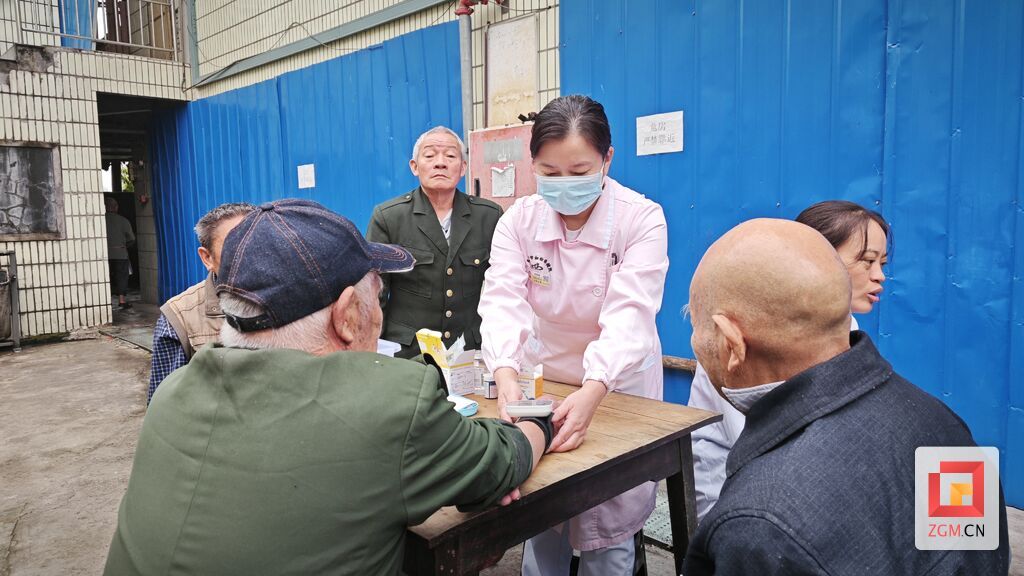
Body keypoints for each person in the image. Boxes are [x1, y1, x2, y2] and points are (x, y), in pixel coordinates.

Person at [104, 199, 553, 575]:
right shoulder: (389, 404)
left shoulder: (173, 392)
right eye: (377, 296)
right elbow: (499, 464)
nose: (378, 312)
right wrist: (539, 424)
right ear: (346, 316)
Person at [682, 218, 1009, 575]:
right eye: (866, 261)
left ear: (732, 343)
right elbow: (978, 554)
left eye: (696, 327)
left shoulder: (759, 527)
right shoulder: (945, 427)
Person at [478, 94, 669, 574]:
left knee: (608, 523)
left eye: (579, 171)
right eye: (550, 173)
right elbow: (502, 300)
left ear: (608, 158)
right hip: (545, 378)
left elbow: (630, 315)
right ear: (533, 165)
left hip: (617, 382)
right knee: (543, 513)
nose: (564, 185)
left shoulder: (640, 218)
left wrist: (594, 390)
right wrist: (505, 374)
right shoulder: (518, 220)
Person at [688, 199, 890, 523]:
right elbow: (762, 447)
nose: (879, 275)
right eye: (866, 261)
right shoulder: (743, 344)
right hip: (741, 506)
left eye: (882, 262)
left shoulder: (847, 331)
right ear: (816, 258)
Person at [367, 126, 502, 358]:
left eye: (450, 156)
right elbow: (374, 293)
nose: (440, 163)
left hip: (469, 352)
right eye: (429, 156)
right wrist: (372, 351)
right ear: (414, 166)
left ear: (463, 167)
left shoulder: (488, 216)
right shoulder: (389, 217)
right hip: (409, 354)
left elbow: (503, 289)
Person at [148, 202, 254, 402]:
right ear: (207, 258)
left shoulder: (298, 297)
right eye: (235, 246)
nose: (250, 254)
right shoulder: (179, 317)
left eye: (257, 242)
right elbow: (165, 405)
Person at [105, 197, 135, 310]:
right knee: (122, 276)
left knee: (105, 277)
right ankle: (122, 300)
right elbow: (131, 238)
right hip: (120, 253)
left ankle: (104, 301)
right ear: (116, 207)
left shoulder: (99, 219)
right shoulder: (123, 221)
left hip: (103, 255)